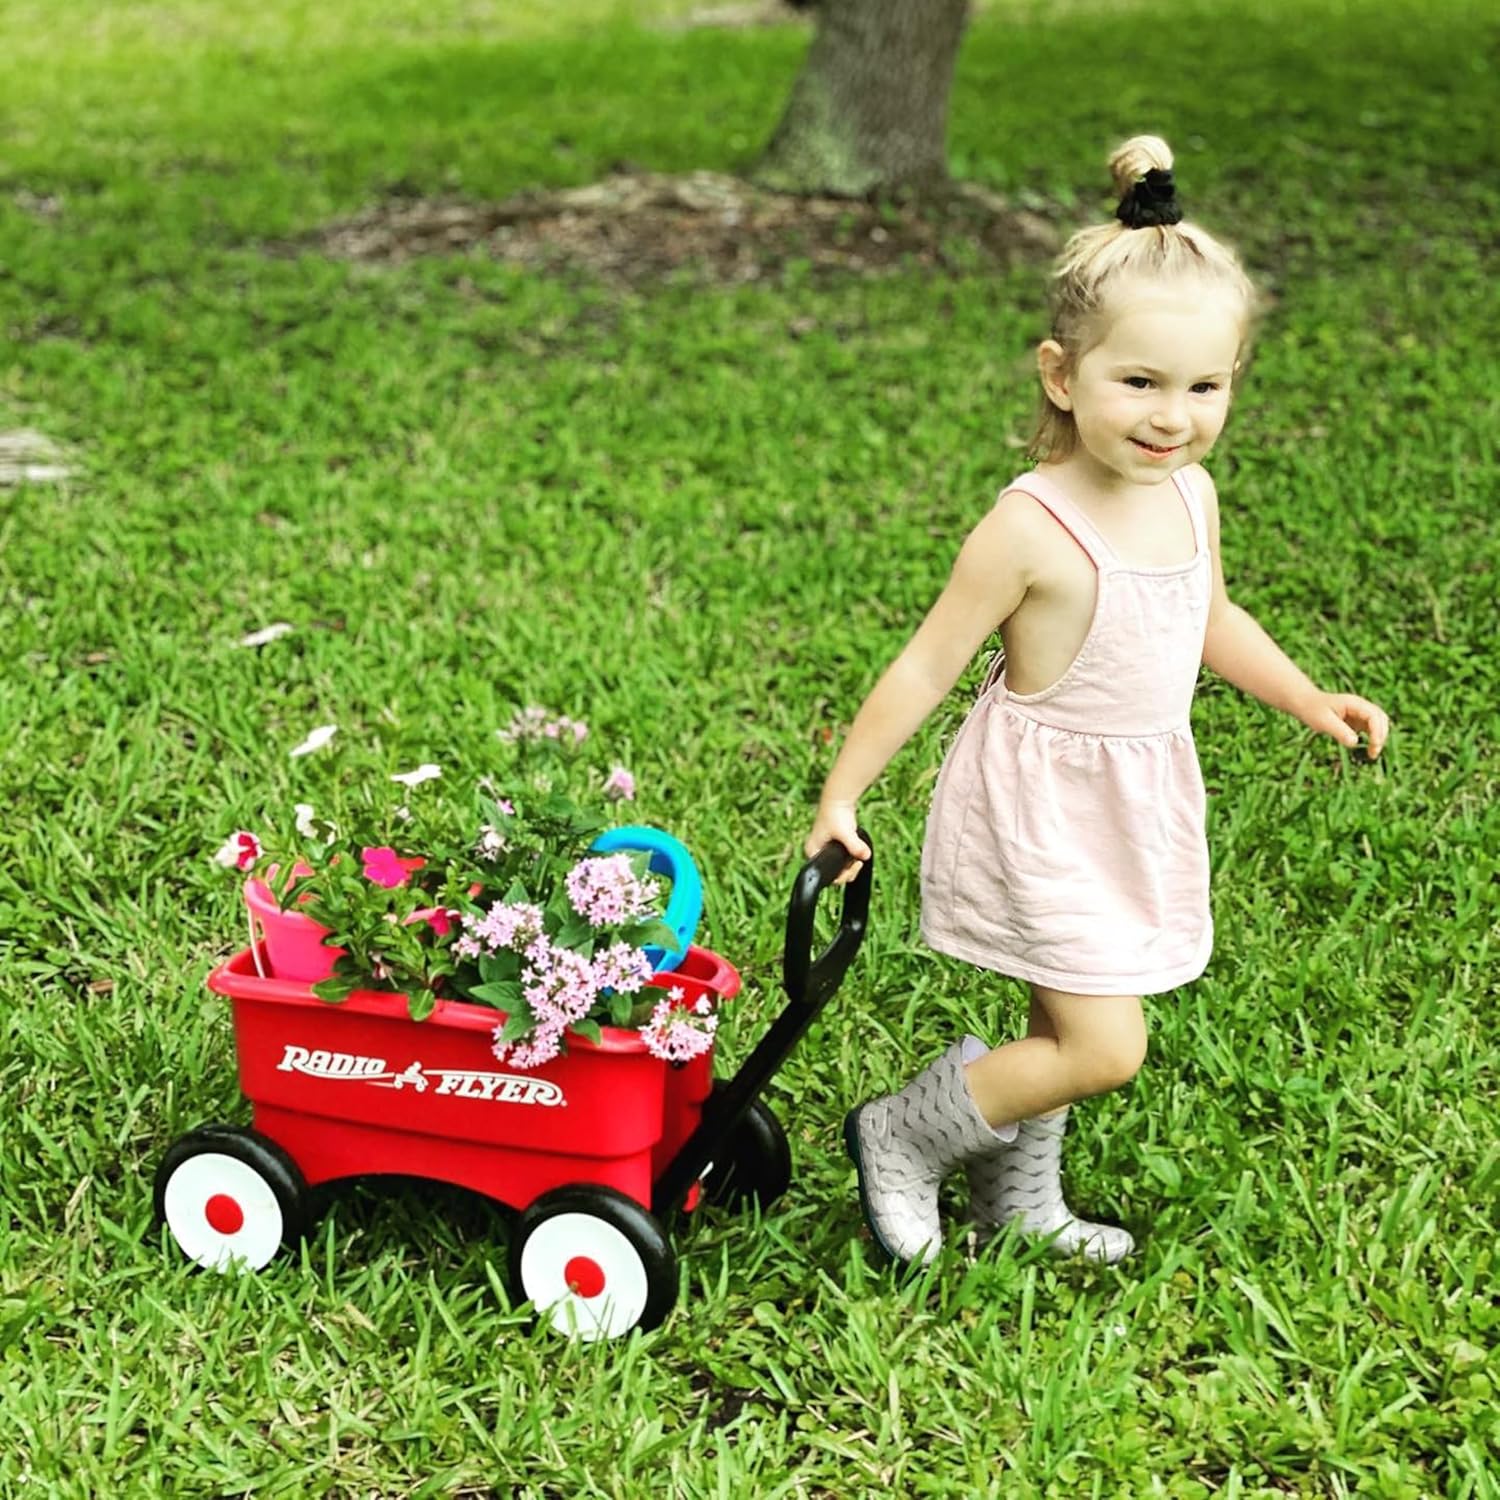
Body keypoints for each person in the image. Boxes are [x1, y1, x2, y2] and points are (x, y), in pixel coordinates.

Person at [804, 135, 1390, 1268]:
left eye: (1205, 387)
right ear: (1062, 375)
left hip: (1136, 793)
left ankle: (1018, 1198)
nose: (1173, 416)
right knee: (1105, 1043)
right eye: (1141, 382)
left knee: (1064, 1020)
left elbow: (1210, 619)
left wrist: (1305, 698)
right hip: (1044, 804)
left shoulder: (1191, 495)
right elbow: (926, 665)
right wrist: (843, 795)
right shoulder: (1030, 525)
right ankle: (907, 1131)